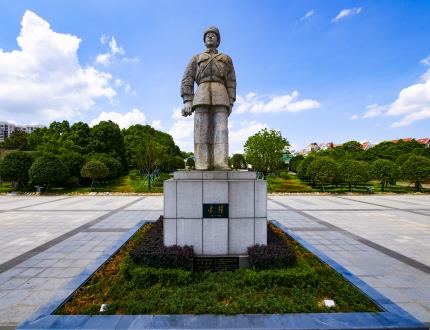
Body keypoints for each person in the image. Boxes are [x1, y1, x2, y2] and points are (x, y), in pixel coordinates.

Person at [180, 26, 236, 170]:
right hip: (202, 93)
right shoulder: (197, 58)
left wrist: (230, 100)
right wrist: (187, 99)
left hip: (221, 93)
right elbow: (187, 78)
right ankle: (201, 163)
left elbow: (231, 81)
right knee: (201, 130)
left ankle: (221, 162)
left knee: (221, 130)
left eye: (213, 35)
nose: (210, 37)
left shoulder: (226, 58)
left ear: (218, 40)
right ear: (204, 40)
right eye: (207, 35)